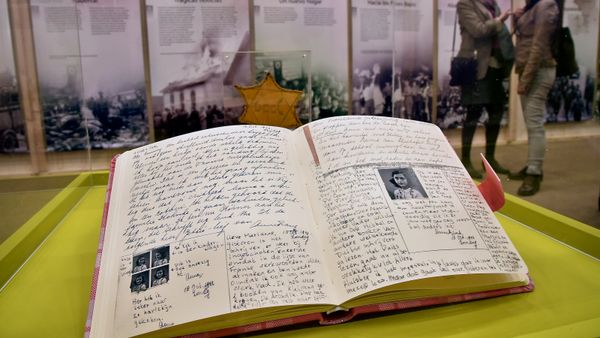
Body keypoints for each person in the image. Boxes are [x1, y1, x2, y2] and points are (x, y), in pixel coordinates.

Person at [456, 0, 512, 179]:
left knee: (496, 113)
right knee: (473, 114)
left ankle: (490, 158)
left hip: (494, 66)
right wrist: (500, 20)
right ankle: (465, 160)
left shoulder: (492, 4)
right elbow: (477, 30)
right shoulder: (465, 3)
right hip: (476, 66)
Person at [509, 0, 559, 196]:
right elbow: (522, 37)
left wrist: (526, 79)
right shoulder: (533, 6)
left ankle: (535, 173)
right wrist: (517, 18)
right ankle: (532, 165)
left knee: (535, 124)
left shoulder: (546, 5)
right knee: (532, 123)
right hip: (528, 71)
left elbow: (539, 45)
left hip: (539, 71)